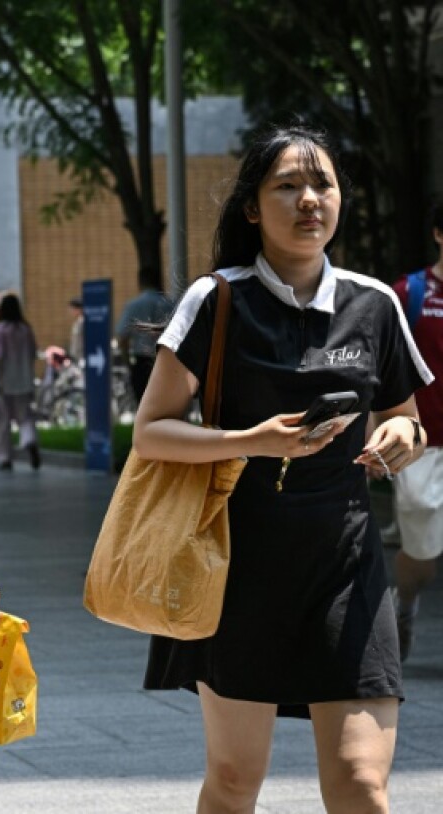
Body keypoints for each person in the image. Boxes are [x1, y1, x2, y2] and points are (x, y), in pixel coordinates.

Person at [134, 124, 430, 813]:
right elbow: (151, 433)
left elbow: (408, 416)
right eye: (287, 185)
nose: (309, 200)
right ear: (250, 207)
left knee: (361, 781)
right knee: (236, 781)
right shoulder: (217, 300)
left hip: (346, 566)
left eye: (322, 184)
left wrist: (398, 436)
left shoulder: (374, 303)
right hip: (238, 567)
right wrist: (250, 440)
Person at [390, 203, 443, 662]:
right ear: (438, 235)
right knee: (421, 552)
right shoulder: (409, 292)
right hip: (423, 441)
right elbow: (384, 369)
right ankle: (404, 602)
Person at [0, 293, 40, 470]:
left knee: (3, 422)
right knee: (25, 417)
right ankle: (29, 440)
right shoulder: (25, 329)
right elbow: (33, 353)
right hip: (24, 381)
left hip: (5, 383)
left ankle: (5, 458)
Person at [116, 266, 173, 401]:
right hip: (165, 359)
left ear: (140, 282)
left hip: (141, 361)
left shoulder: (133, 305)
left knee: (143, 404)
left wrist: (128, 363)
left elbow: (122, 337)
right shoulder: (169, 304)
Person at [68, 297, 84, 364]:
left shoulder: (82, 322)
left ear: (78, 309)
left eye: (72, 309)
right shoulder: (78, 322)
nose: (70, 311)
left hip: (81, 357)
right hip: (76, 357)